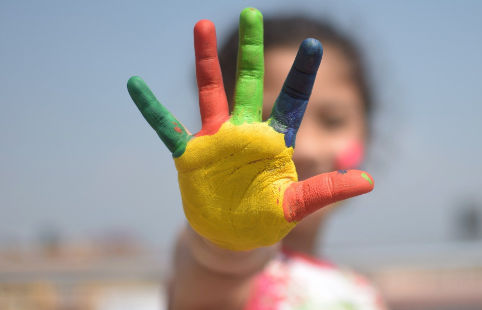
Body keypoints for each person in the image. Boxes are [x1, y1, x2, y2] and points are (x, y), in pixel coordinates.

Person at [127, 7, 384, 310]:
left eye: (333, 120)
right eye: (265, 122)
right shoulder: (219, 257)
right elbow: (212, 269)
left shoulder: (362, 292)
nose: (306, 150)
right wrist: (231, 243)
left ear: (367, 129)